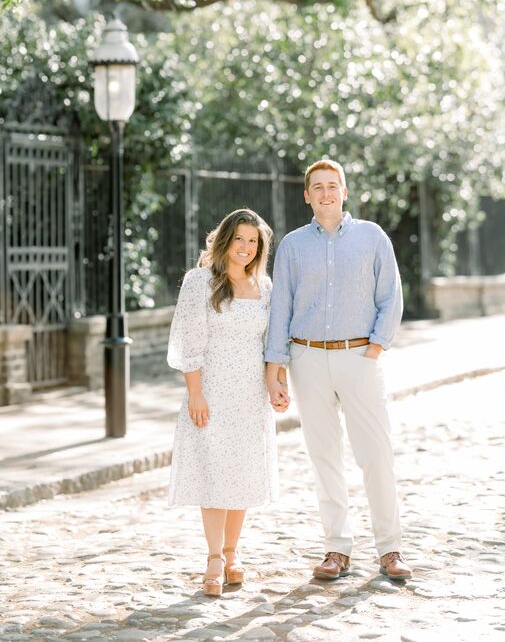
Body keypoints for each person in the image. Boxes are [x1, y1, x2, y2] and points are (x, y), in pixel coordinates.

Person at [265, 159, 412, 581]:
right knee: (323, 456)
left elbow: (391, 295)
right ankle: (337, 548)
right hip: (307, 359)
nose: (326, 193)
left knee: (375, 455)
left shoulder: (372, 237)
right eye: (318, 187)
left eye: (333, 185)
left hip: (359, 356)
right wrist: (275, 370)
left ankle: (390, 548)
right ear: (307, 195)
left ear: (344, 192)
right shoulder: (292, 246)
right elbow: (281, 309)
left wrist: (376, 348)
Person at [167, 208, 281, 597]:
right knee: (214, 474)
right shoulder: (200, 281)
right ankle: (214, 558)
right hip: (211, 391)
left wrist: (276, 383)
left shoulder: (264, 286)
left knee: (243, 473)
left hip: (250, 395)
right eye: (239, 240)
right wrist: (194, 393)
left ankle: (233, 554)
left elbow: (270, 344)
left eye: (253, 241)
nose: (245, 248)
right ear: (224, 240)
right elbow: (188, 340)